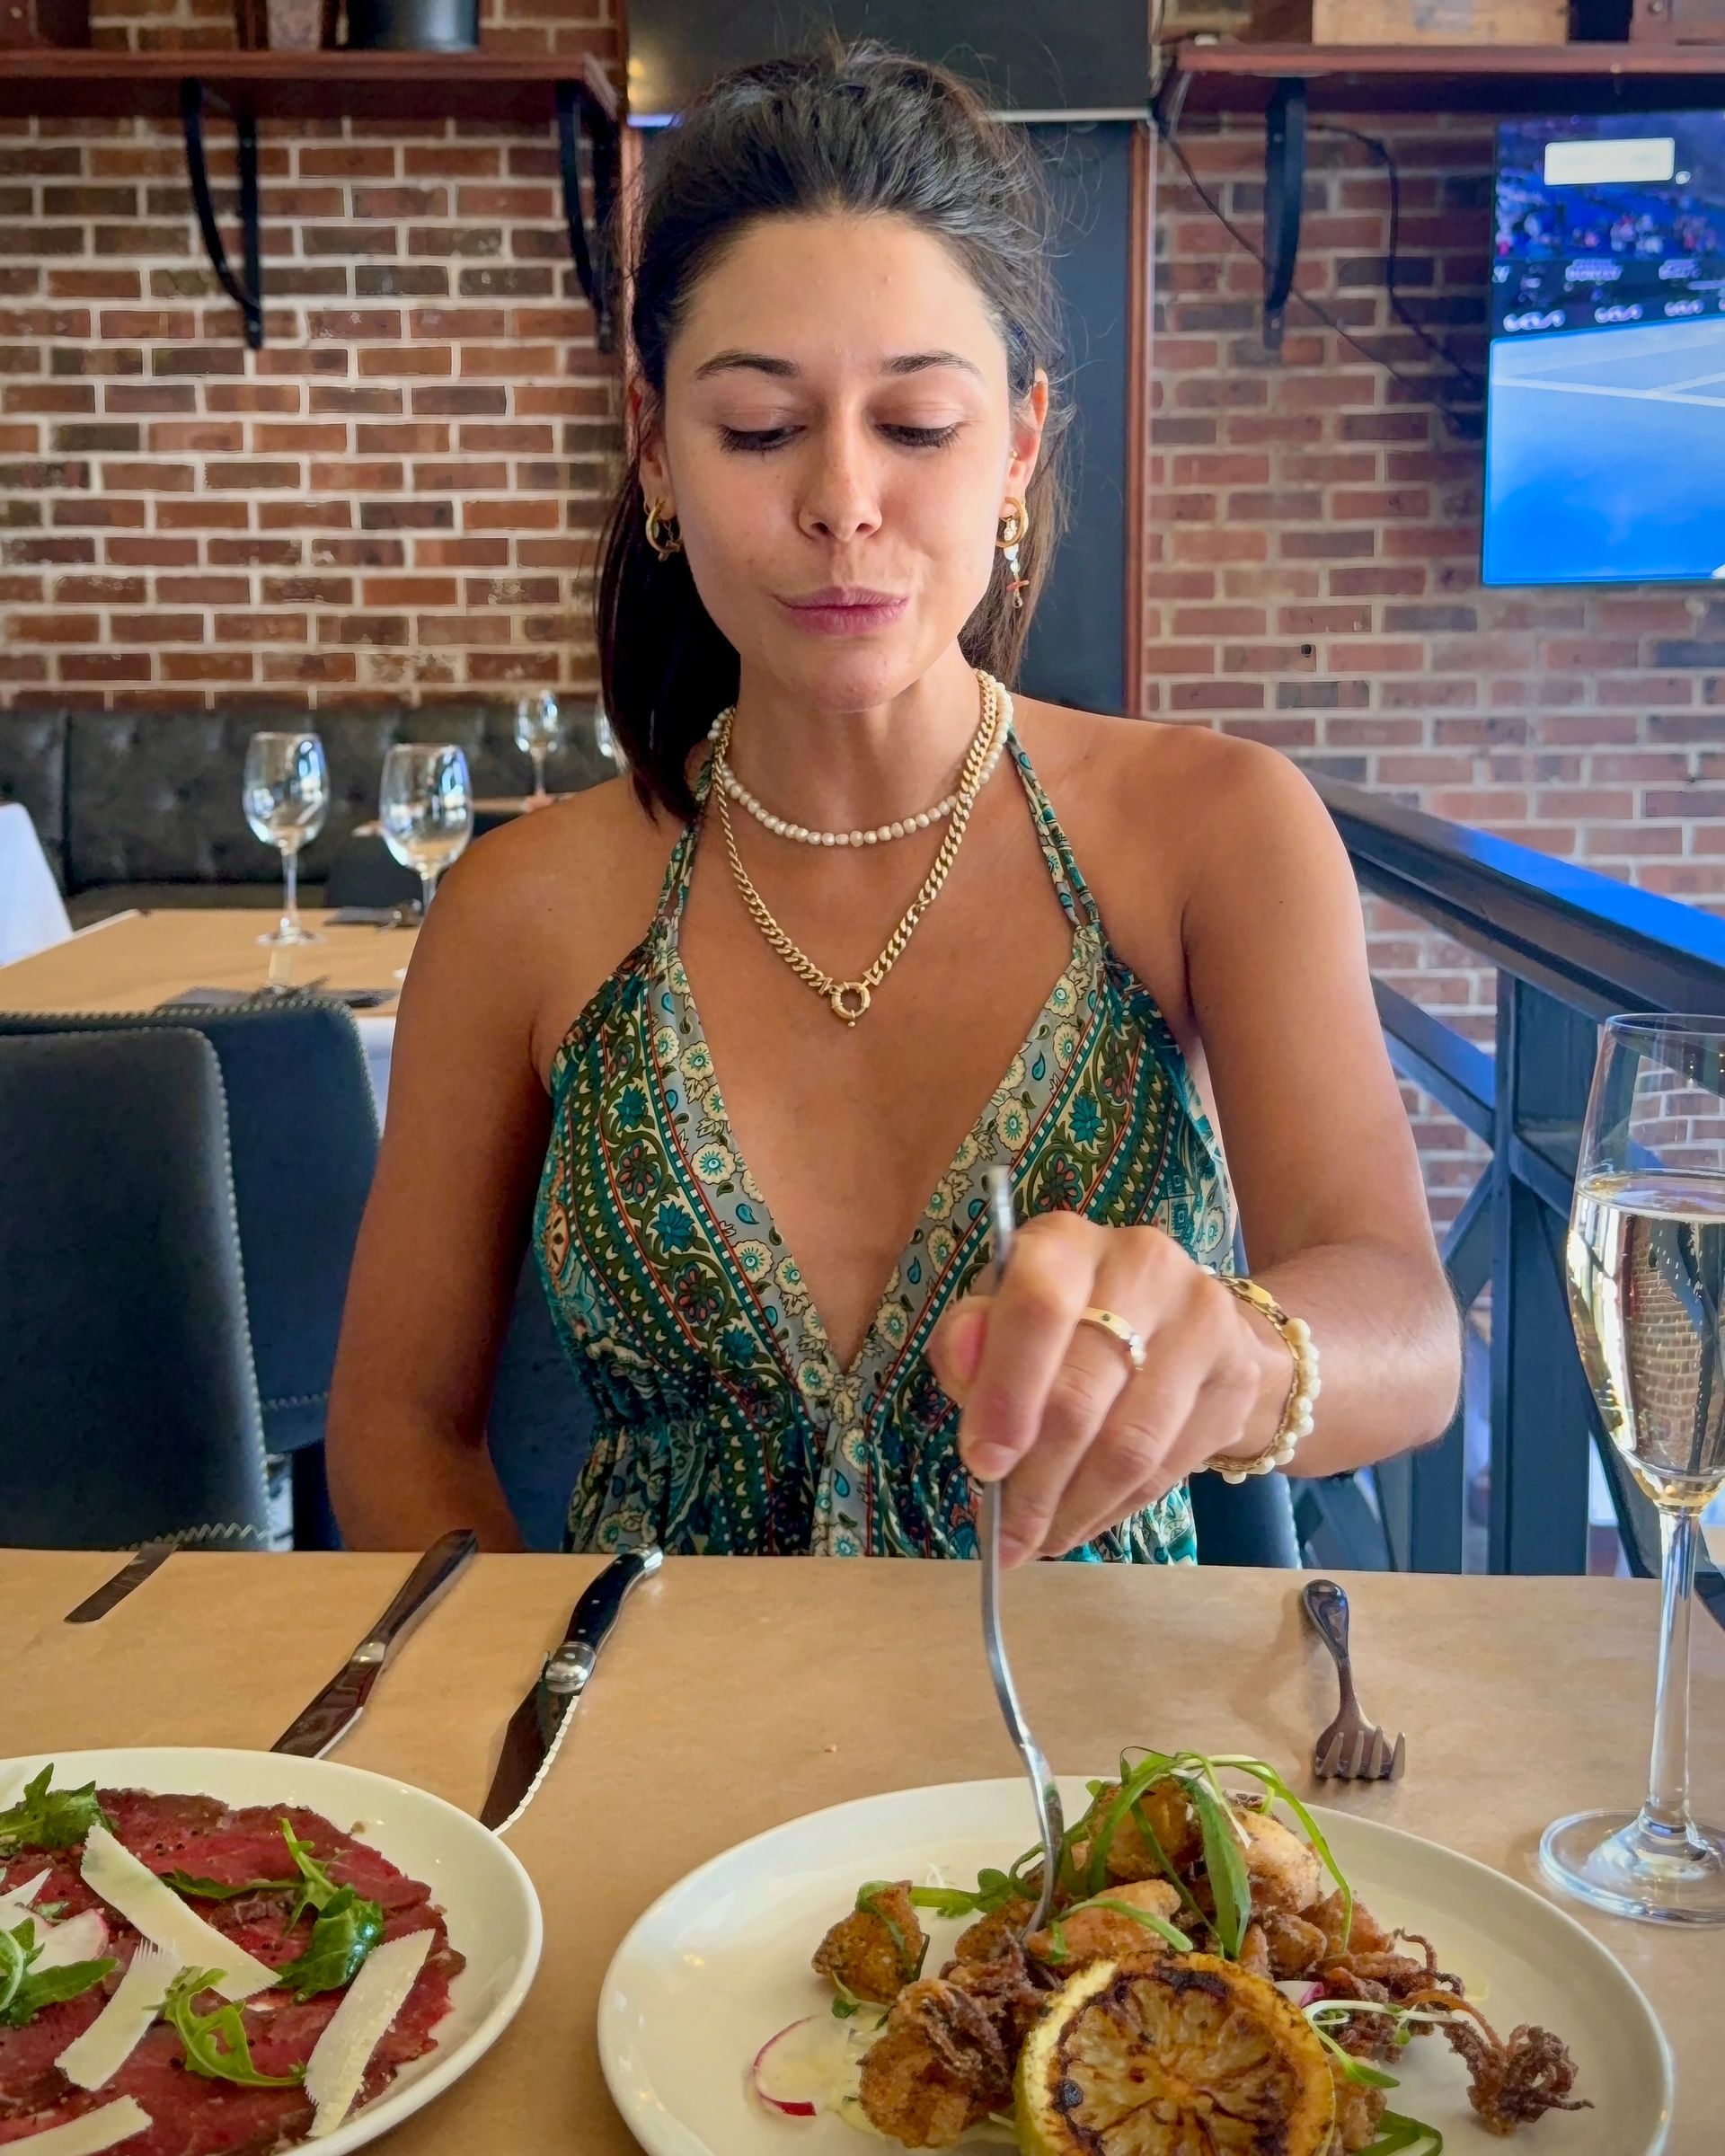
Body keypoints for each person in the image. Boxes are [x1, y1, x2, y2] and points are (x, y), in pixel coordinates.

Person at [326, 41, 1460, 1564]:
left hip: (1097, 1771)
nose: (843, 499)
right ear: (654, 446)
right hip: (665, 1767)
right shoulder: (522, 911)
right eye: (759, 428)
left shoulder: (1214, 830)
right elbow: (398, 1430)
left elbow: (1410, 1331)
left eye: (917, 426)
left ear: (1019, 444)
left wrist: (1243, 1357)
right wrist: (539, 1713)